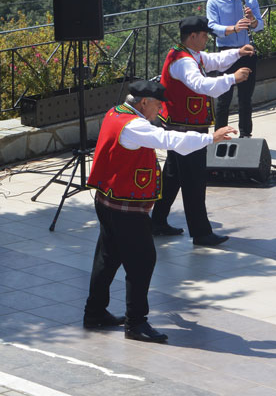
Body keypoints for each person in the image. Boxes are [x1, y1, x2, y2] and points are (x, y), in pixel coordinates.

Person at [85, 80, 237, 343]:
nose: (160, 111)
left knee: (107, 257)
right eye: (157, 105)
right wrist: (209, 137)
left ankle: (95, 312)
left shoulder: (117, 112)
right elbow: (168, 139)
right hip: (126, 207)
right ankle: (136, 323)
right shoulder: (134, 126)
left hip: (108, 200)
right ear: (144, 103)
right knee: (142, 262)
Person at [151, 15, 254, 246]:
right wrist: (232, 79)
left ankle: (157, 221)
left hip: (180, 125)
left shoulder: (188, 53)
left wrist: (237, 53)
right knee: (194, 181)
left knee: (173, 176)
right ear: (193, 36)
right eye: (205, 34)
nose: (207, 37)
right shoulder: (184, 61)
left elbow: (213, 60)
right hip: (186, 128)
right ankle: (200, 233)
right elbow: (201, 85)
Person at [207, 0, 265, 136]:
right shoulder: (214, 2)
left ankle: (246, 135)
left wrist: (253, 20)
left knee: (245, 98)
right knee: (224, 98)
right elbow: (212, 27)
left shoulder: (250, 0)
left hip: (247, 51)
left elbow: (260, 25)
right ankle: (220, 135)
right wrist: (233, 28)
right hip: (226, 53)